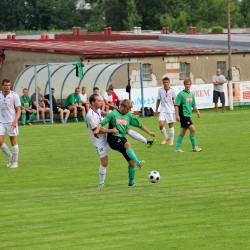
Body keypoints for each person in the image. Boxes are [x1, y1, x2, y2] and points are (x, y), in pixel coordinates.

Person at [95, 99, 156, 186]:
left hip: (121, 139)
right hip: (113, 138)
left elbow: (140, 125)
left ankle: (131, 183)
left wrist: (149, 132)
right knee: (127, 144)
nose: (128, 111)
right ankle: (139, 163)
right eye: (127, 109)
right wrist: (97, 130)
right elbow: (102, 123)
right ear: (122, 106)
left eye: (129, 109)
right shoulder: (113, 114)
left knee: (131, 163)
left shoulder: (129, 115)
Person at [86, 94, 119, 188]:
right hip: (99, 141)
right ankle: (101, 183)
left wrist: (115, 114)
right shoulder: (90, 115)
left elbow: (105, 114)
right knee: (104, 162)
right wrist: (112, 130)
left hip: (106, 138)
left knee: (122, 141)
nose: (101, 102)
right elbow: (98, 130)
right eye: (99, 101)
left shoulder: (98, 110)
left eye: (101, 100)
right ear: (93, 102)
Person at [174, 78, 202, 153]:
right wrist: (177, 115)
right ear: (184, 85)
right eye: (186, 84)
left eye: (189, 84)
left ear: (190, 85)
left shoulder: (191, 94)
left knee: (183, 132)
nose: (187, 86)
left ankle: (177, 148)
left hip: (188, 115)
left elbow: (194, 105)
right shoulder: (181, 94)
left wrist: (198, 112)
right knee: (193, 129)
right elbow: (176, 105)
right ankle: (194, 147)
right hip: (183, 115)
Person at [0, 79, 21, 168]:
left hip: (11, 122)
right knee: (0, 142)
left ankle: (15, 163)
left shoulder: (14, 95)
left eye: (9, 85)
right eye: (6, 85)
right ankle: (10, 156)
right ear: (2, 86)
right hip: (1, 122)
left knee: (13, 142)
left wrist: (15, 121)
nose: (7, 87)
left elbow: (19, 109)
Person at [155, 77, 176, 145]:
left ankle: (171, 140)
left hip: (170, 110)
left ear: (169, 83)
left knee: (170, 126)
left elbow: (176, 100)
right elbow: (158, 100)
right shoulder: (160, 90)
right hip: (163, 110)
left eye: (167, 82)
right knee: (161, 124)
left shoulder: (172, 91)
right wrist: (156, 110)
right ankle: (166, 137)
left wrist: (177, 110)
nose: (166, 84)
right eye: (164, 82)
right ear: (163, 83)